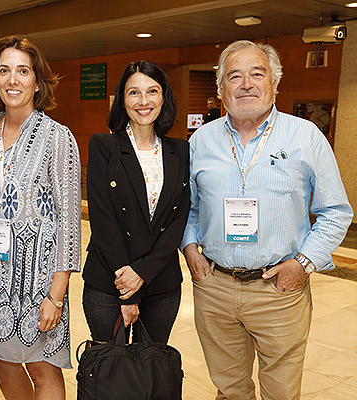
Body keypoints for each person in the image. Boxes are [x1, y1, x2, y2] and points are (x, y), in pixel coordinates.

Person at [182, 40, 353, 400]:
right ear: (220, 88)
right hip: (215, 286)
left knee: (281, 392)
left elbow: (336, 212)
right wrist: (190, 247)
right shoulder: (200, 141)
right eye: (234, 76)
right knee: (229, 390)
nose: (246, 84)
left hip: (278, 290)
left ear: (275, 83)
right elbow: (188, 208)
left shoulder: (306, 136)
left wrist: (302, 264)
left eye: (257, 74)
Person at [0, 34, 81, 400]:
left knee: (41, 366)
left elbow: (68, 222)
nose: (12, 80)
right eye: (4, 71)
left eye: (23, 71)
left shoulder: (57, 137)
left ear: (37, 82)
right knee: (0, 362)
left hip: (40, 280)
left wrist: (57, 295)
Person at [82, 60, 190, 344]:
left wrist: (142, 272)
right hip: (109, 281)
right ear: (122, 100)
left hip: (161, 283)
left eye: (152, 91)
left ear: (164, 97)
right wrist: (127, 287)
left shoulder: (180, 151)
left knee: (153, 373)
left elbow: (179, 219)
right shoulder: (104, 147)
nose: (144, 101)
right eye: (134, 93)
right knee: (108, 374)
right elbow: (103, 219)